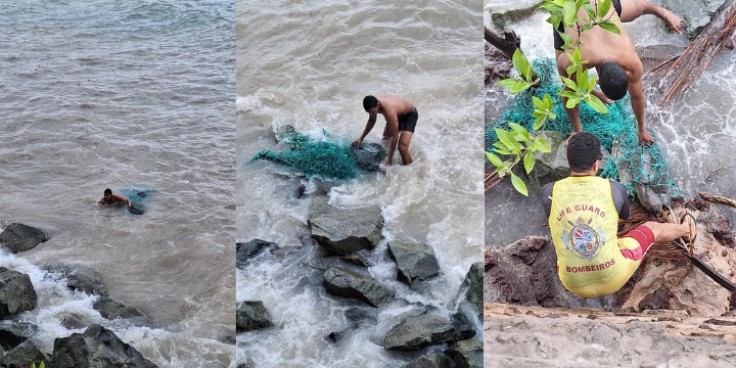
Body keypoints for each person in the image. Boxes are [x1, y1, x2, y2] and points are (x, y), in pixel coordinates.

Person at [542, 132, 694, 298]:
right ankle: (688, 229)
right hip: (613, 278)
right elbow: (624, 217)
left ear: (569, 162)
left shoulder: (548, 192)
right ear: (596, 165)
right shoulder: (615, 189)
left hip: (572, 283)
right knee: (651, 228)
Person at [553, 0, 683, 145]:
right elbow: (569, 88)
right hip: (567, 9)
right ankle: (576, 128)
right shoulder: (575, 60)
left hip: (602, 7)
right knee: (568, 80)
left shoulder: (632, 62)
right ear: (597, 82)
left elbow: (637, 96)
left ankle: (663, 12)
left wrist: (642, 130)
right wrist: (594, 95)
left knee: (639, 7)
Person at [354, 95, 417, 165]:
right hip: (396, 114)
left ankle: (410, 169)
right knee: (386, 140)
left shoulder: (389, 111)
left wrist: (390, 158)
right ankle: (393, 159)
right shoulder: (372, 103)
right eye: (370, 112)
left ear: (378, 104)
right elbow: (372, 120)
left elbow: (395, 137)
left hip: (409, 115)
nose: (372, 114)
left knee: (402, 148)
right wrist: (361, 138)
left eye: (373, 112)